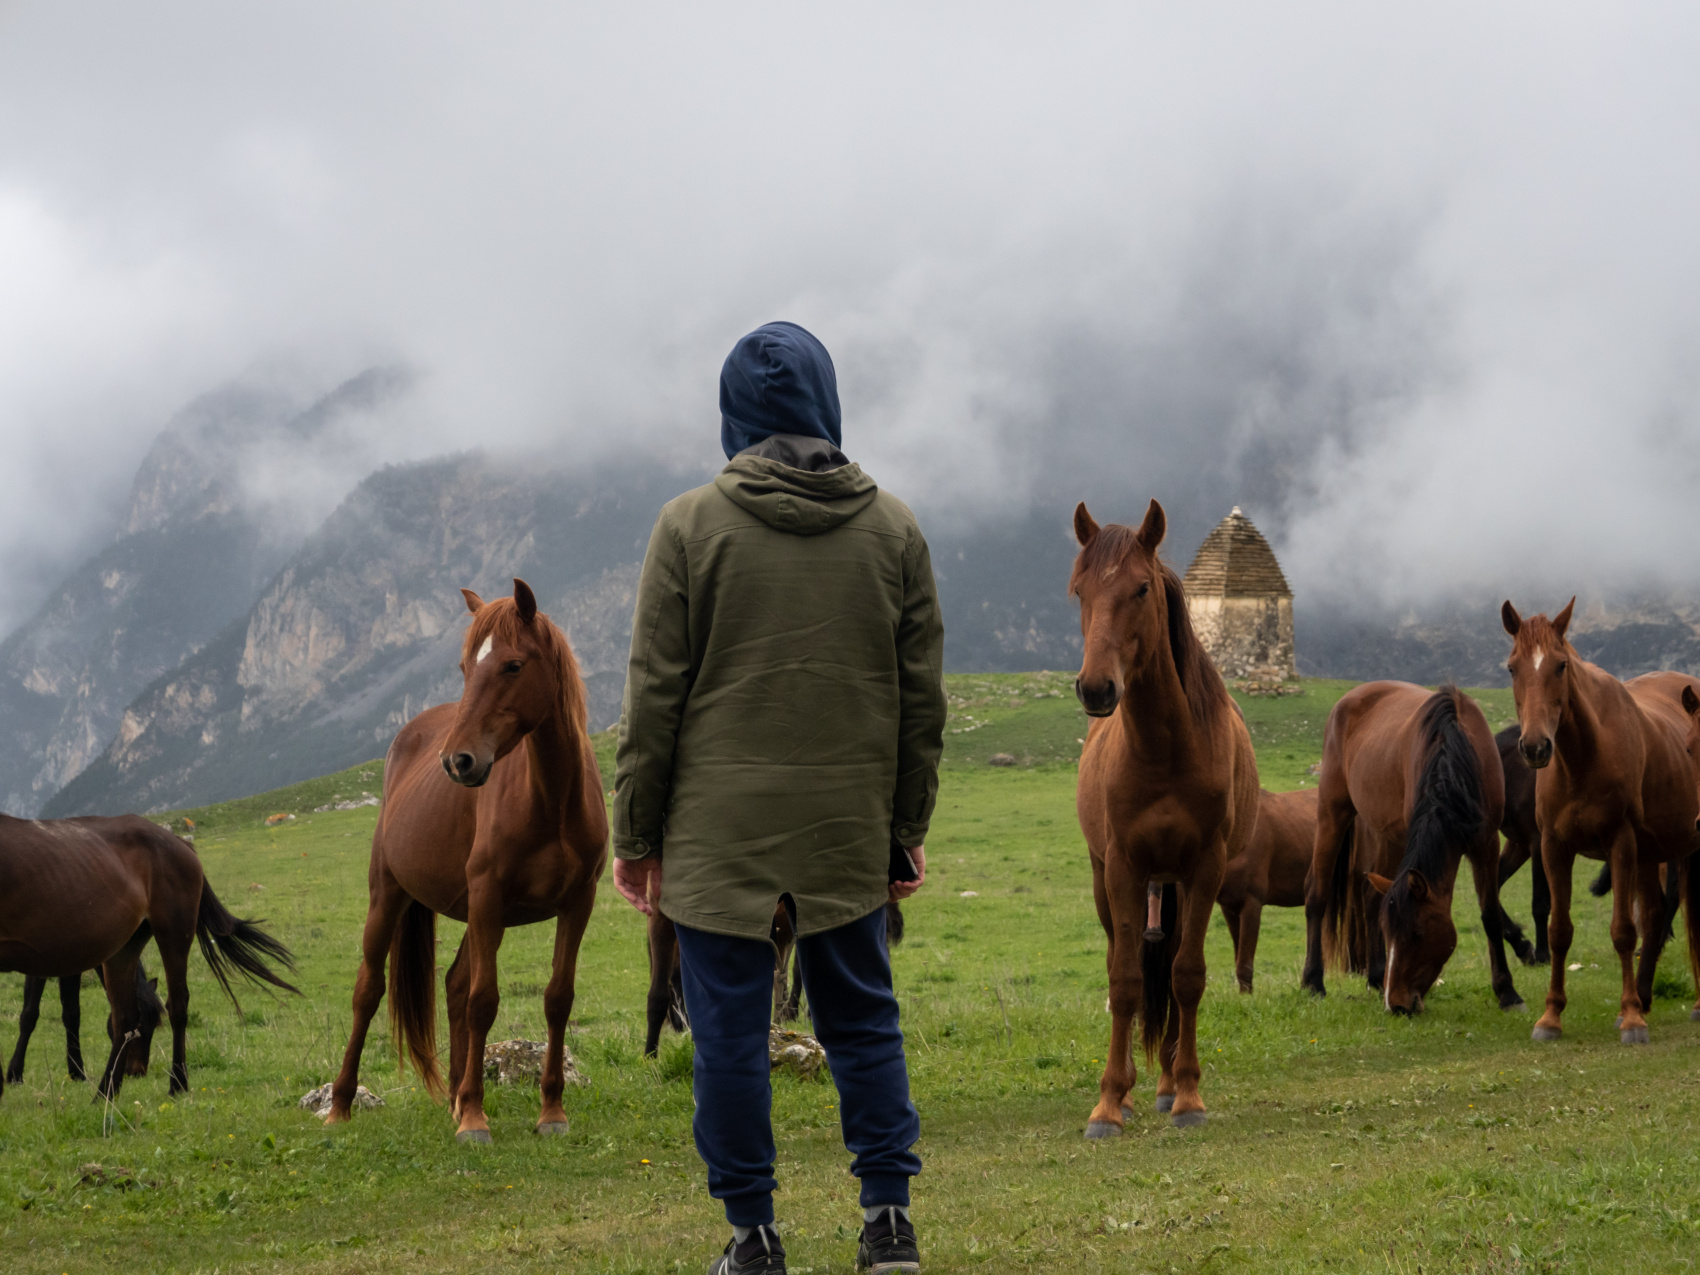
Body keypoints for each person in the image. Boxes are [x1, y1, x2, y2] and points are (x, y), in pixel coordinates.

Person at [611, 321, 946, 1275]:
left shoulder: (685, 528)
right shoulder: (895, 531)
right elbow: (922, 705)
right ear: (827, 406)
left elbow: (654, 700)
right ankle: (888, 1223)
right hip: (848, 831)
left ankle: (752, 1237)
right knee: (864, 1021)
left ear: (734, 417)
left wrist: (636, 835)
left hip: (717, 838)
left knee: (726, 1040)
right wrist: (905, 832)